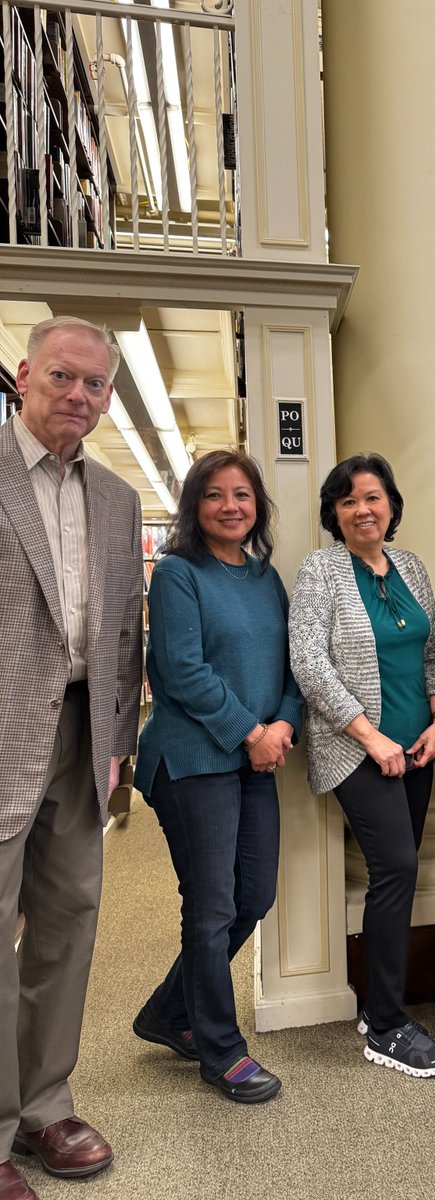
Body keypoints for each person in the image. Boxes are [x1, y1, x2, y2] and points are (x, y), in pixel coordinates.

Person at [0, 316, 143, 1200]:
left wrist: (119, 746)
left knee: (67, 929)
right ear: (24, 376)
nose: (78, 396)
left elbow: (125, 631)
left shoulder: (120, 500)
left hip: (84, 741)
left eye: (94, 385)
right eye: (63, 377)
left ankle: (44, 1106)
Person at [132, 450, 303, 1105]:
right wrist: (252, 732)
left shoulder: (265, 577)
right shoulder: (177, 573)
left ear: (257, 504)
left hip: (255, 757)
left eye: (242, 494)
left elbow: (291, 664)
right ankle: (220, 1049)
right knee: (211, 908)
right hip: (193, 761)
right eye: (214, 495)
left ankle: (168, 1013)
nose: (230, 505)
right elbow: (180, 671)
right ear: (193, 506)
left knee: (252, 896)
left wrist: (282, 725)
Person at [290, 454, 435, 1078]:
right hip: (357, 750)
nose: (363, 509)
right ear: (335, 514)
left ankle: (376, 1006)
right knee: (396, 868)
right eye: (349, 501)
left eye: (374, 497)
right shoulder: (321, 570)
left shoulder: (410, 565)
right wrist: (370, 737)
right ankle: (385, 1026)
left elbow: (433, 646)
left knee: (399, 876)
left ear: (392, 505)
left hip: (418, 747)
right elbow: (309, 663)